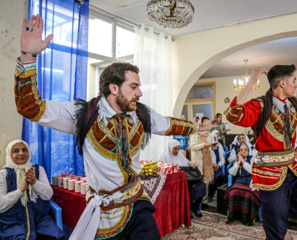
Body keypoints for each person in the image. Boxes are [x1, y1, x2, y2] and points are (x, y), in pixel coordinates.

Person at [14, 15, 216, 240]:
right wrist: (28, 57)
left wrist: (196, 128)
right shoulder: (82, 115)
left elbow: (168, 124)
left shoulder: (141, 114)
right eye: (133, 86)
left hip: (137, 201)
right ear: (113, 88)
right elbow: (30, 107)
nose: (139, 93)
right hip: (104, 211)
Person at [225, 64, 297, 239]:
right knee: (276, 227)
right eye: (294, 81)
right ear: (282, 83)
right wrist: (251, 81)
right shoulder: (260, 105)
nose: (296, 85)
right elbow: (233, 115)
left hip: (293, 169)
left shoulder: (293, 104)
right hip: (269, 173)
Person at [0, 140, 64, 240]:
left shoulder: (38, 169)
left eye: (24, 150)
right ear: (9, 154)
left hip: (40, 220)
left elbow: (48, 195)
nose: (21, 153)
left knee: (55, 237)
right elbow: (1, 205)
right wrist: (21, 190)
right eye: (16, 151)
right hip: (13, 222)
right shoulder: (3, 174)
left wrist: (35, 183)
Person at [158, 139, 206, 218]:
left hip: (186, 178)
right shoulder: (163, 157)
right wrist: (174, 168)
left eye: (178, 148)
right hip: (173, 181)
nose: (177, 151)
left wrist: (192, 164)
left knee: (201, 185)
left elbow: (187, 162)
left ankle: (195, 207)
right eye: (175, 149)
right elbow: (161, 170)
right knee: (188, 188)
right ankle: (186, 209)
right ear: (170, 148)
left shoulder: (180, 155)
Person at [224, 143, 261, 225]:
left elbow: (252, 170)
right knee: (233, 191)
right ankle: (233, 216)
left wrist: (243, 161)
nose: (244, 151)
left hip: (250, 181)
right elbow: (231, 173)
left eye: (245, 149)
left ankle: (247, 218)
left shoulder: (252, 159)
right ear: (239, 152)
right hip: (240, 181)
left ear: (248, 151)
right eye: (241, 149)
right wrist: (239, 162)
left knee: (248, 193)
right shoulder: (238, 161)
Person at [189, 117, 217, 209]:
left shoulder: (210, 135)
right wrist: (203, 145)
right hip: (198, 162)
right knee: (198, 184)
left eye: (207, 122)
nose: (206, 125)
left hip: (207, 162)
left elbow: (211, 148)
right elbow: (192, 147)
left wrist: (214, 146)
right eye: (204, 122)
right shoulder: (195, 135)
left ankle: (203, 202)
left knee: (206, 183)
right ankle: (195, 204)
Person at [208, 130, 226, 202]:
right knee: (208, 178)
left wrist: (218, 165)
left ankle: (212, 192)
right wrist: (211, 165)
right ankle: (209, 194)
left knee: (220, 177)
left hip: (216, 168)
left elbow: (222, 160)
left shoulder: (219, 146)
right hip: (207, 168)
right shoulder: (206, 145)